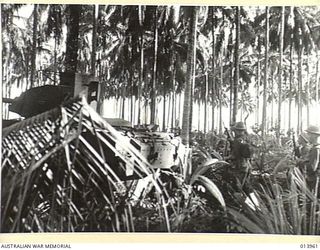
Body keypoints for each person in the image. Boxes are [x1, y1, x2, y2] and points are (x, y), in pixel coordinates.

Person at [226, 122, 252, 193]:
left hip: (239, 167)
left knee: (238, 188)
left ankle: (241, 202)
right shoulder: (245, 138)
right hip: (246, 165)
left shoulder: (238, 140)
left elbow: (235, 155)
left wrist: (226, 159)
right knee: (246, 185)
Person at [304, 125, 320, 192]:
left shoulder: (316, 149)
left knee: (313, 200)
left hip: (314, 180)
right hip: (313, 179)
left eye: (309, 134)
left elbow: (312, 167)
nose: (307, 136)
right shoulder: (314, 148)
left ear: (315, 136)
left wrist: (300, 163)